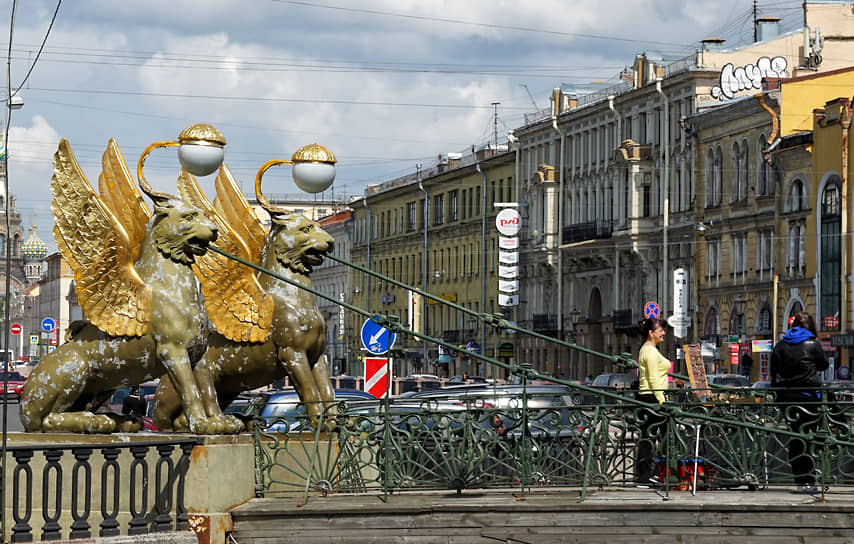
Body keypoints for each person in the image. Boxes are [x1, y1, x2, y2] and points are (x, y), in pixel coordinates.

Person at [771, 310, 829, 494]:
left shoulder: (780, 345)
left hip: (787, 399)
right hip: (809, 397)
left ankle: (801, 481)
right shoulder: (812, 343)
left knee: (796, 437)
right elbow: (824, 365)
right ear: (810, 326)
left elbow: (774, 372)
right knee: (812, 437)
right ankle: (811, 479)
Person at [635, 317, 671, 487]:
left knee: (652, 437)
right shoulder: (649, 351)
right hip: (651, 398)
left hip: (651, 396)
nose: (663, 333)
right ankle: (649, 475)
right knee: (655, 437)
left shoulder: (651, 350)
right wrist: (662, 401)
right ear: (651, 333)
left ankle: (654, 473)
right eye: (660, 330)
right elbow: (653, 378)